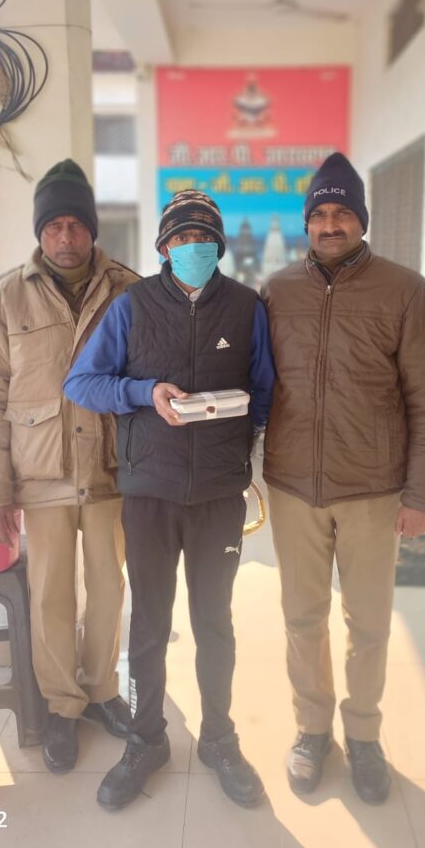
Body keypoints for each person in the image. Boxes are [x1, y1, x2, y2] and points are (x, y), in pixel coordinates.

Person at [64, 189, 275, 811]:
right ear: (163, 247)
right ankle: (146, 739)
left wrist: (239, 440)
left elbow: (265, 388)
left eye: (203, 238)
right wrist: (144, 392)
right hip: (149, 493)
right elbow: (82, 382)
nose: (192, 247)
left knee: (215, 623)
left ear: (219, 246)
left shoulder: (246, 307)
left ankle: (219, 739)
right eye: (181, 238)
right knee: (150, 625)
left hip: (218, 496)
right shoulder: (131, 307)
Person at [261, 151, 425, 803]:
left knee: (368, 623)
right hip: (294, 486)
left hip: (374, 490)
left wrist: (423, 494)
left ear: (361, 221)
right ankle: (312, 730)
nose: (331, 224)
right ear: (306, 222)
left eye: (343, 213)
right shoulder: (277, 292)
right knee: (301, 618)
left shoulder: (406, 291)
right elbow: (258, 385)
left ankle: (364, 735)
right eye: (320, 213)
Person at [0, 159, 136, 774]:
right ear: (40, 232)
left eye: (76, 224)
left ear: (92, 229)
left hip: (110, 469)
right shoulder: (5, 297)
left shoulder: (129, 290)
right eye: (54, 225)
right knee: (51, 596)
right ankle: (63, 705)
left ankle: (102, 690)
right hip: (40, 475)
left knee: (109, 587)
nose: (66, 236)